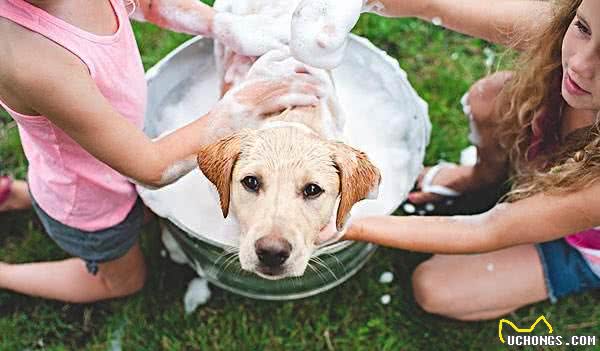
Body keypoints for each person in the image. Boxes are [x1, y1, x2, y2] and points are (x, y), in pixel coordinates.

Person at [0, 0, 324, 303]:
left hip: (114, 149)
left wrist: (226, 27)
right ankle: (7, 273)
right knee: (123, 280)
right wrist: (243, 105)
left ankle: (15, 195)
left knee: (133, 208)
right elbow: (150, 167)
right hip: (91, 197)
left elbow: (150, 2)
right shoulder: (28, 58)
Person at [316, 0, 600, 321]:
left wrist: (348, 224)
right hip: (551, 161)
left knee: (435, 288)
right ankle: (479, 179)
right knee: (491, 97)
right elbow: (432, 5)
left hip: (586, 235)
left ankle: (580, 269)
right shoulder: (566, 26)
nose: (579, 63)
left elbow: (488, 230)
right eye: (583, 28)